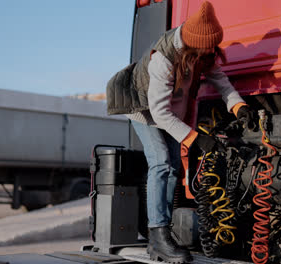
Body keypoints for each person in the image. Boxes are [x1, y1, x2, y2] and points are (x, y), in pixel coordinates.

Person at [106, 1, 254, 263]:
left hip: (169, 112)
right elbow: (159, 112)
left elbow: (223, 83)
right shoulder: (162, 59)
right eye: (205, 50)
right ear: (191, 45)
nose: (210, 54)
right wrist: (196, 138)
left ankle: (162, 236)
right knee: (161, 163)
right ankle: (158, 233)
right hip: (143, 108)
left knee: (175, 165)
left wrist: (239, 107)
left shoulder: (202, 53)